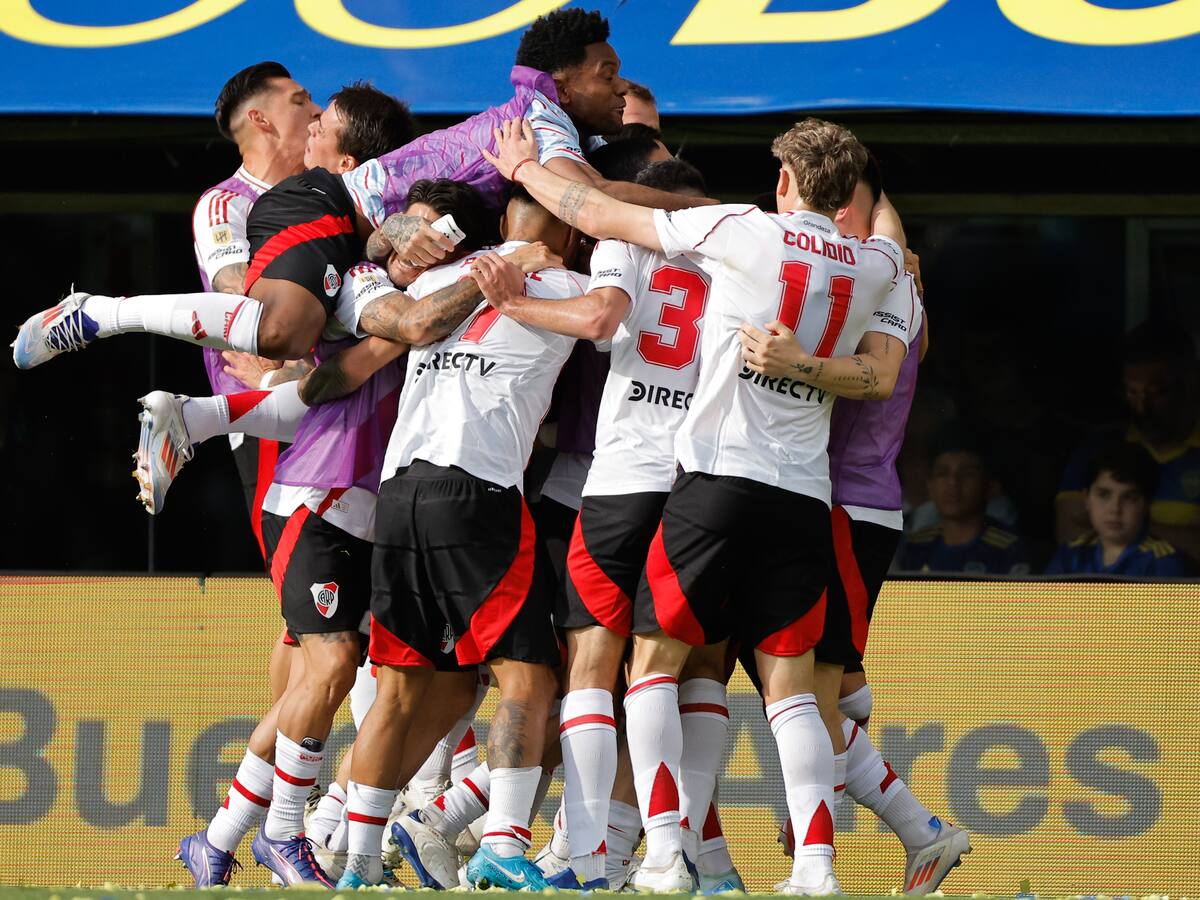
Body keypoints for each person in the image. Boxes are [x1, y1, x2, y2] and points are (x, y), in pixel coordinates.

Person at [483, 114, 914, 894]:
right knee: (789, 690)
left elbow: (595, 211)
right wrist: (807, 362)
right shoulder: (881, 264)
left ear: (784, 182)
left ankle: (656, 854)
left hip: (714, 479)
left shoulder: (743, 230)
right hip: (803, 496)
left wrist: (525, 170)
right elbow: (878, 373)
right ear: (852, 196)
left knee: (650, 665)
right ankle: (815, 867)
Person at [337, 188, 588, 891]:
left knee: (405, 691)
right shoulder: (572, 287)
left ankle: (357, 863)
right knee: (529, 679)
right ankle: (503, 843)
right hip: (477, 492)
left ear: (503, 221)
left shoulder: (435, 280)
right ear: (573, 233)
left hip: (399, 495)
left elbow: (368, 269)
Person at [1056, 322, 1200, 565]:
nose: (1142, 408)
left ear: (1190, 382)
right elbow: (1068, 533)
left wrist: (1126, 528)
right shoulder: (1100, 447)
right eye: (1132, 393)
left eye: (1157, 392)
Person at [895, 428, 1031, 575]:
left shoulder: (1007, 549)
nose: (953, 482)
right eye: (942, 474)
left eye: (967, 474)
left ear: (989, 486)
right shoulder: (917, 546)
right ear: (930, 486)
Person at [1047, 442, 1188, 576]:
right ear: (1087, 499)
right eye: (1104, 495)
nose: (1115, 509)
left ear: (1147, 505)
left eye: (1129, 497)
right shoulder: (1070, 555)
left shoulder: (1163, 562)